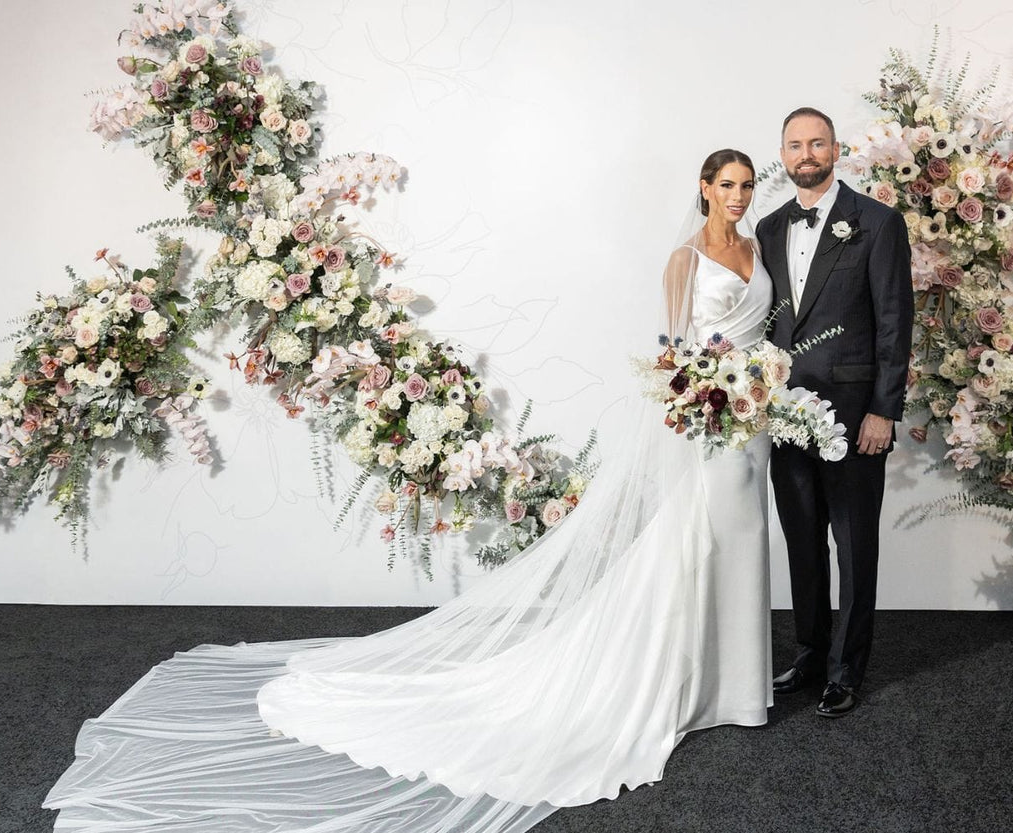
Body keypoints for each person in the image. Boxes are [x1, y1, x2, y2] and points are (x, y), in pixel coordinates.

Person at [43, 150, 778, 832]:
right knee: (695, 542)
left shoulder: (755, 250)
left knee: (739, 542)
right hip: (707, 420)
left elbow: (765, 332)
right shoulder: (684, 259)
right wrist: (704, 396)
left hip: (757, 418)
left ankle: (736, 687)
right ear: (705, 189)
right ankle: (688, 684)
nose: (739, 196)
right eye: (728, 184)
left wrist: (763, 383)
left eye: (747, 185)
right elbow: (671, 352)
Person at [757, 107, 913, 718]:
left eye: (816, 143)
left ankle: (848, 669)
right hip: (782, 415)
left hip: (853, 415)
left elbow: (895, 320)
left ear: (835, 149)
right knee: (802, 541)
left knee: (853, 543)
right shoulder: (768, 228)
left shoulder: (876, 222)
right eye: (794, 145)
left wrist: (884, 409)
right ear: (784, 153)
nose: (806, 154)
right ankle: (811, 653)